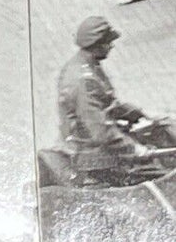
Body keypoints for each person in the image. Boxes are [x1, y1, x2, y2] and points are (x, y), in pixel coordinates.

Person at [58, 16, 168, 187]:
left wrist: (142, 113)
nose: (111, 45)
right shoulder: (83, 81)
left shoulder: (87, 65)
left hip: (102, 144)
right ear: (96, 45)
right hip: (96, 156)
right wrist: (134, 148)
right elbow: (100, 130)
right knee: (165, 177)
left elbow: (110, 105)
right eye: (108, 42)